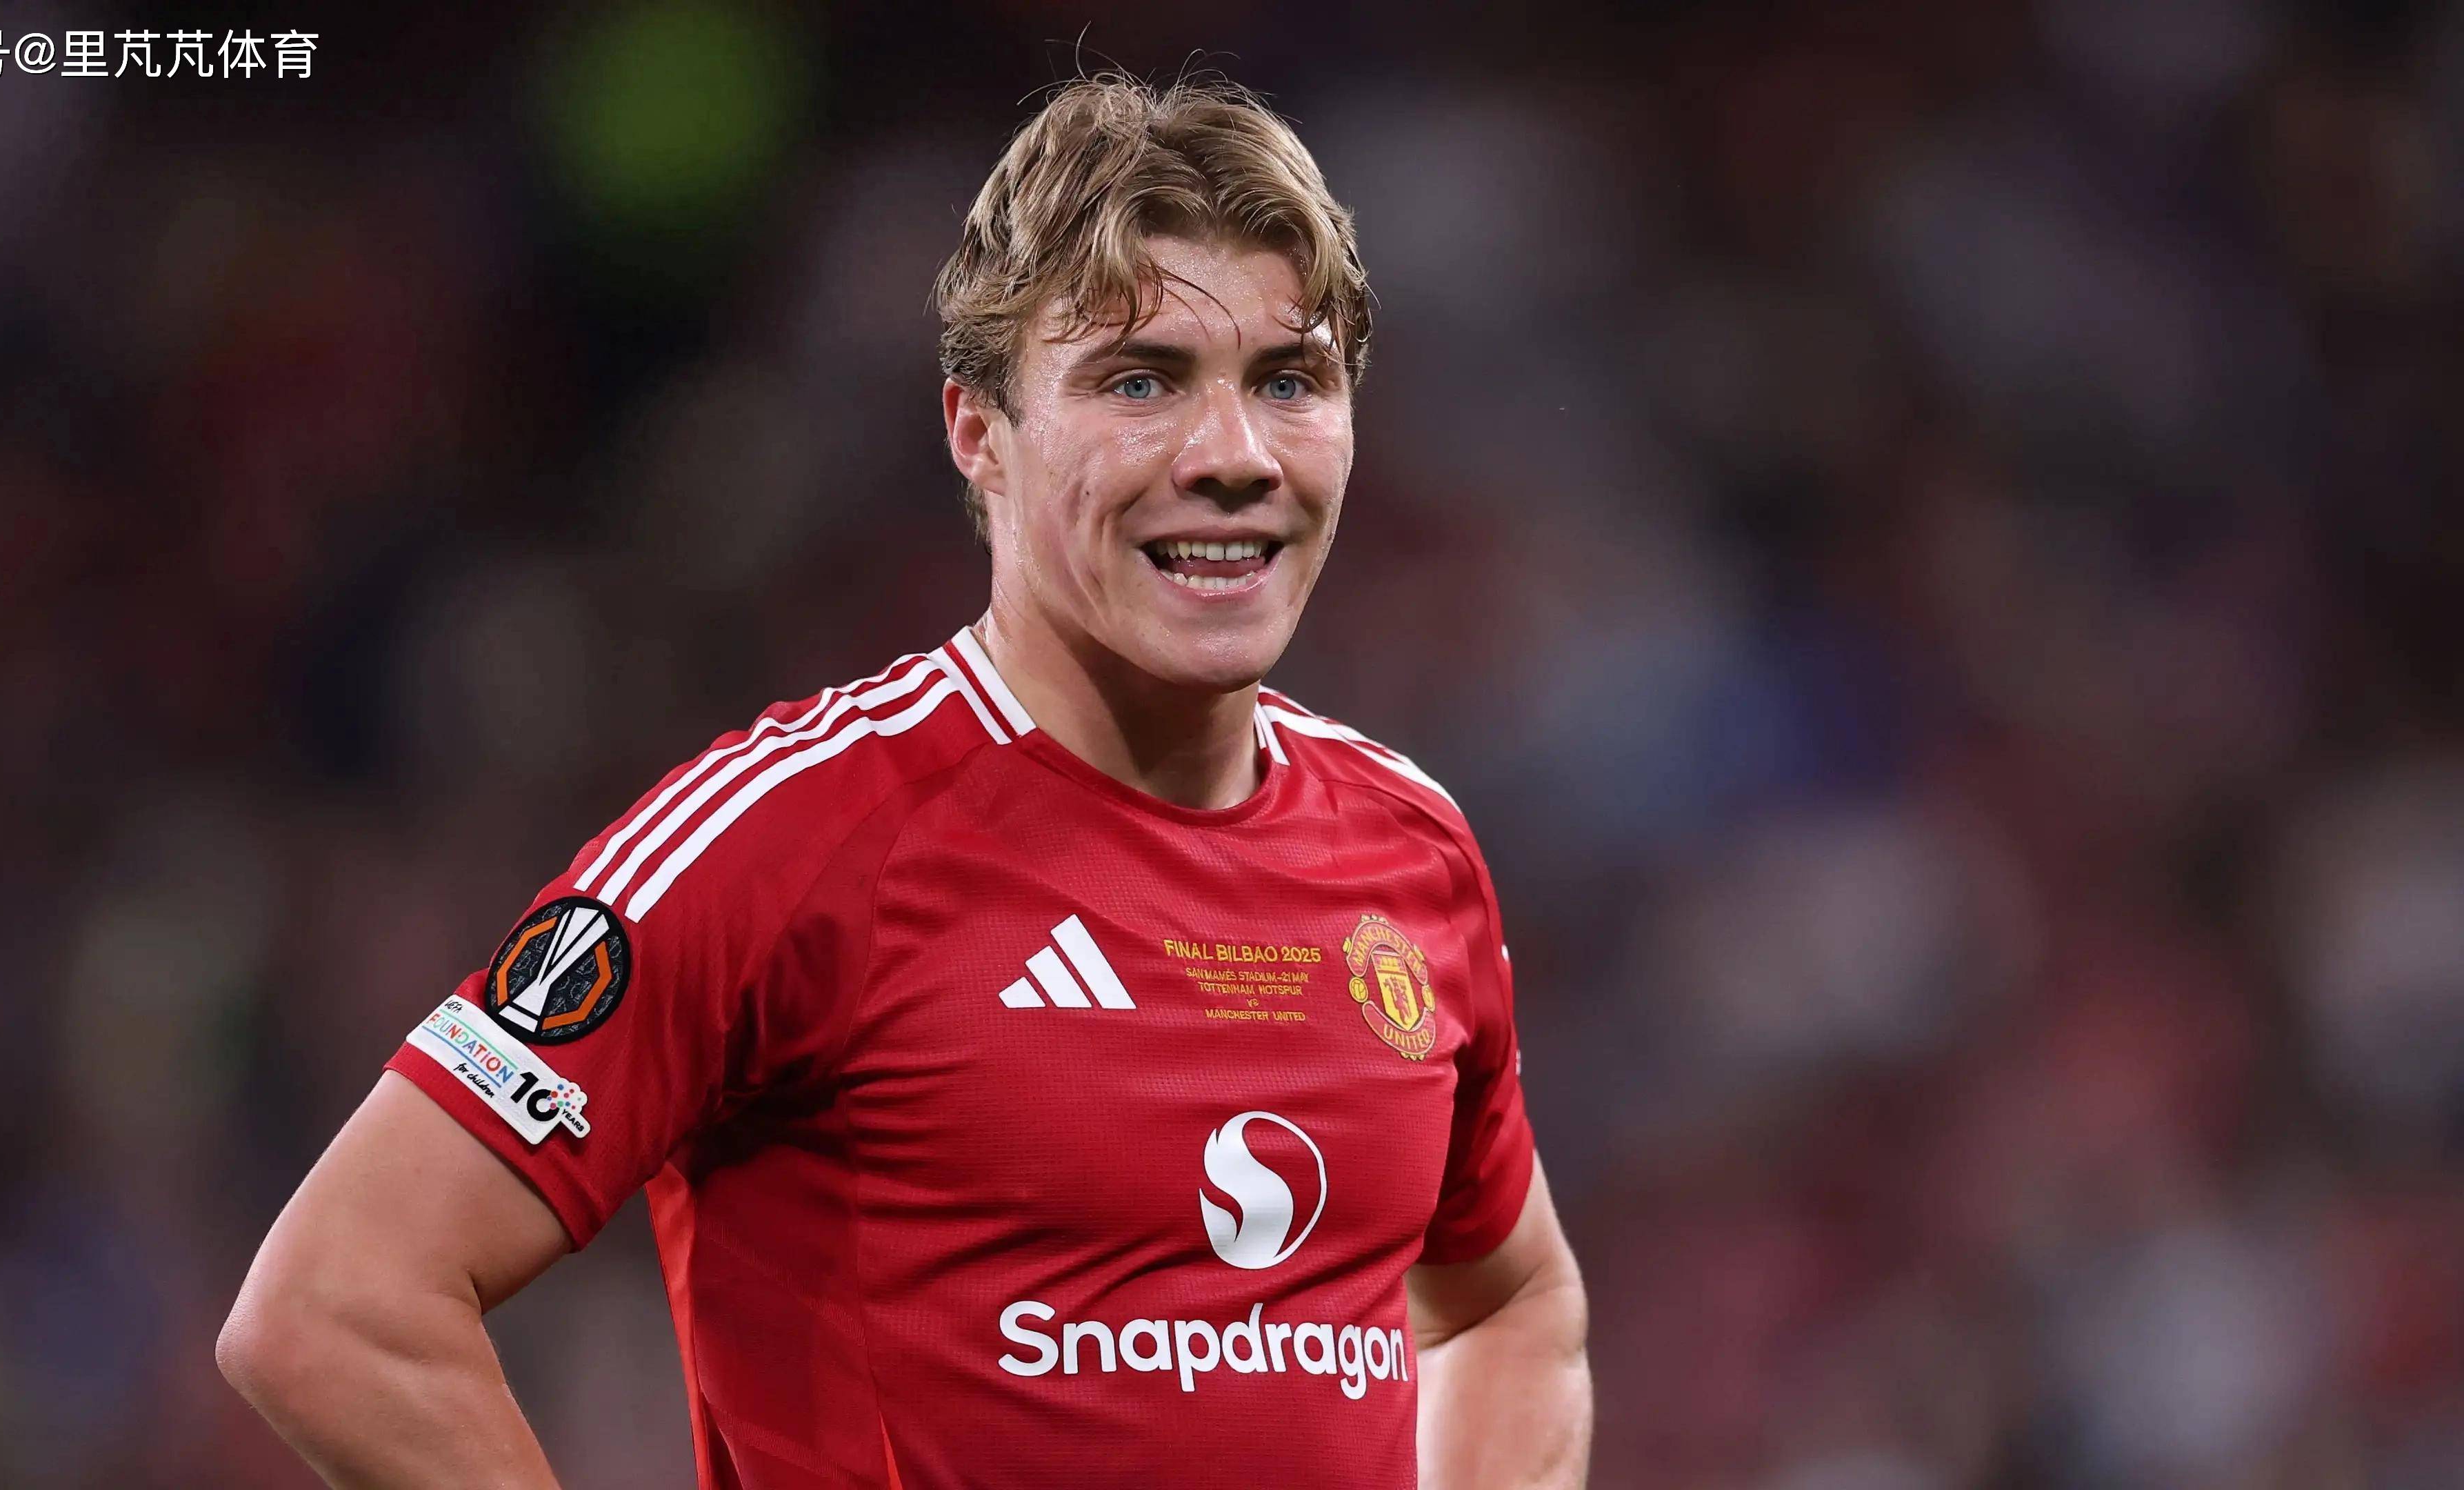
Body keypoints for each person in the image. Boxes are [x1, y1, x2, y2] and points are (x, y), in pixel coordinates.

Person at [219, 72, 1591, 1489]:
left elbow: (1509, 1305)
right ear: (979, 434)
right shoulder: (789, 835)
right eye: (1140, 381)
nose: (1235, 457)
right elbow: (337, 1310)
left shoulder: (1411, 849)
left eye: (1289, 382)